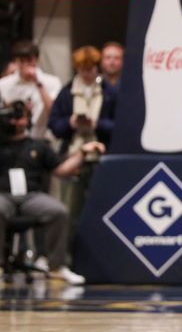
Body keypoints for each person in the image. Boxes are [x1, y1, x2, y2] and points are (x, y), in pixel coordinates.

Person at [0, 100, 105, 284]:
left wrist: (82, 152)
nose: (15, 122)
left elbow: (62, 170)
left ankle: (57, 266)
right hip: (3, 195)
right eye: (11, 118)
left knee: (58, 211)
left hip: (31, 197)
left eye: (19, 117)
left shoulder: (37, 146)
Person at [48, 45, 117, 242]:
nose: (87, 73)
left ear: (97, 68)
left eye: (91, 68)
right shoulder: (67, 92)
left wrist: (98, 125)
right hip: (72, 157)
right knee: (69, 210)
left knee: (104, 209)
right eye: (82, 69)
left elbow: (122, 125)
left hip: (102, 158)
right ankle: (67, 259)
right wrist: (70, 123)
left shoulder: (110, 93)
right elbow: (54, 125)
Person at [0, 40, 61, 140]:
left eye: (29, 61)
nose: (25, 66)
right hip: (13, 140)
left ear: (36, 60)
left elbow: (53, 113)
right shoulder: (3, 84)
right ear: (15, 62)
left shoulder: (52, 82)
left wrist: (38, 84)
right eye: (21, 61)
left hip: (43, 139)